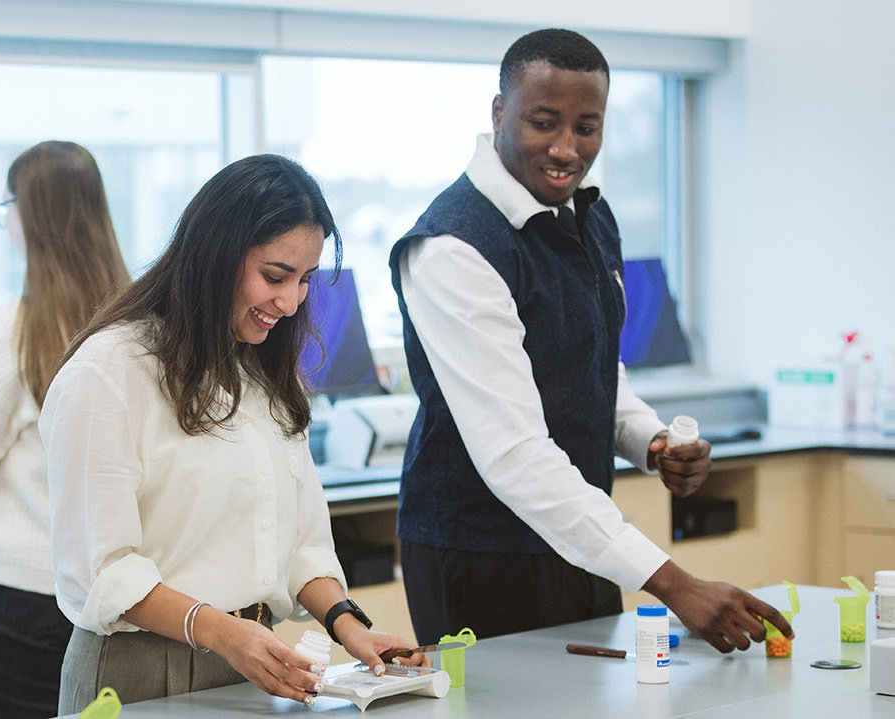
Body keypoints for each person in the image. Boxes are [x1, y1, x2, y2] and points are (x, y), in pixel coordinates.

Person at [389, 29, 793, 653]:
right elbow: (515, 453)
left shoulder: (589, 215)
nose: (566, 149)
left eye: (587, 127)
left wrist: (650, 441)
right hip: (479, 550)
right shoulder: (454, 248)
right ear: (499, 113)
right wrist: (675, 583)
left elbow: (597, 362)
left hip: (581, 535)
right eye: (543, 122)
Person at [41, 154, 423, 715]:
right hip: (145, 667)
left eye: (304, 281)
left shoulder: (263, 372)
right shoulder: (110, 371)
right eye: (274, 276)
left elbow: (298, 544)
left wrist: (351, 628)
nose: (291, 303)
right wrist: (221, 633)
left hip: (251, 661)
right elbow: (102, 572)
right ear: (214, 255)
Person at [0, 141, 130, 719]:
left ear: (27, 216)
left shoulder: (10, 331)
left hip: (16, 604)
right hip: (118, 601)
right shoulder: (142, 324)